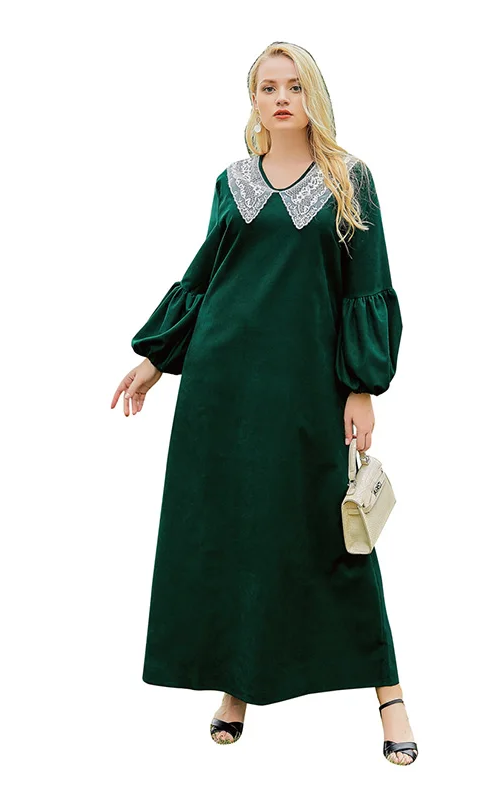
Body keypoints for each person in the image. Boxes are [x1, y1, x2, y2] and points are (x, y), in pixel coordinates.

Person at [110, 41, 418, 766]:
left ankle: (389, 692)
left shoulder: (350, 180)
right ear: (252, 99)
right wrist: (157, 360)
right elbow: (206, 274)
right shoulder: (232, 181)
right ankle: (236, 688)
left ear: (314, 95)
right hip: (221, 387)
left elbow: (365, 283)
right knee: (234, 533)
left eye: (294, 86)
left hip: (304, 389)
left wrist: (362, 384)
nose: (282, 98)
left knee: (334, 537)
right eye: (268, 87)